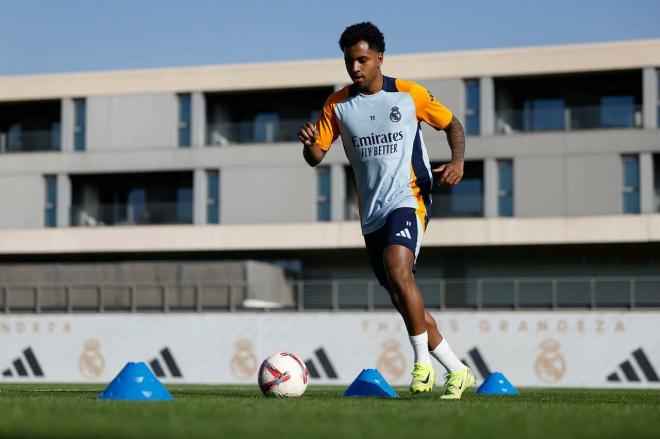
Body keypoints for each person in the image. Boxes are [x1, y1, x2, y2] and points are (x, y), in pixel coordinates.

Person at [298, 22, 473, 399]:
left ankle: (421, 365)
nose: (355, 68)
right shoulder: (337, 104)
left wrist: (458, 161)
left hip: (409, 197)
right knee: (400, 292)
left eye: (362, 60)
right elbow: (316, 157)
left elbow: (452, 124)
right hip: (371, 211)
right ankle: (458, 370)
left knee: (399, 268)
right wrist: (310, 144)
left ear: (379, 58)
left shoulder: (409, 94)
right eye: (349, 62)